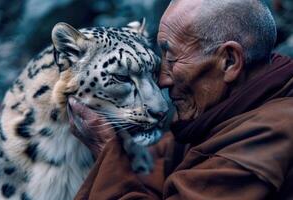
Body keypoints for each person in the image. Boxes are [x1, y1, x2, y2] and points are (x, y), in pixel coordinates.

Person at [70, 0, 293, 199]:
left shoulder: (271, 134)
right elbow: (158, 161)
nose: (162, 81)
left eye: (172, 59)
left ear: (229, 61)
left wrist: (106, 148)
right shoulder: (219, 112)